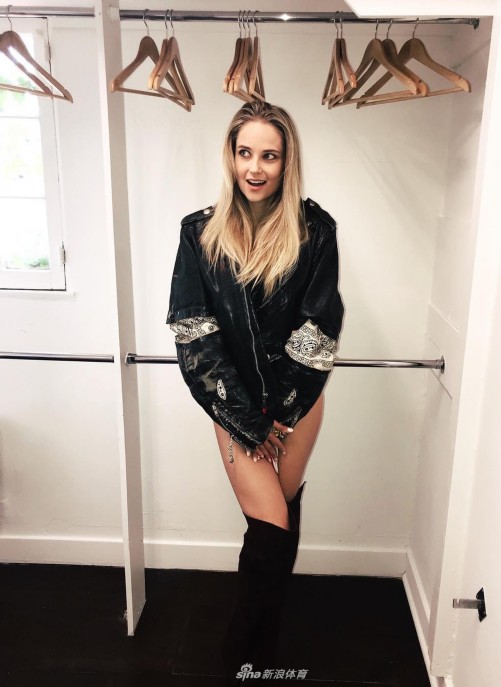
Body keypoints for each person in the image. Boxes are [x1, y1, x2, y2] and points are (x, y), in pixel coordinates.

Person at [166, 100, 344, 682]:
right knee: (270, 526)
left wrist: (281, 413)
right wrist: (249, 420)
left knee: (279, 525)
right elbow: (195, 333)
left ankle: (261, 657)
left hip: (298, 405)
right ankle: (239, 662)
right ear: (231, 156)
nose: (255, 167)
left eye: (269, 155)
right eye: (245, 153)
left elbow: (318, 328)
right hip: (235, 407)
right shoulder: (199, 233)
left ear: (287, 161)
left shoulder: (316, 231)